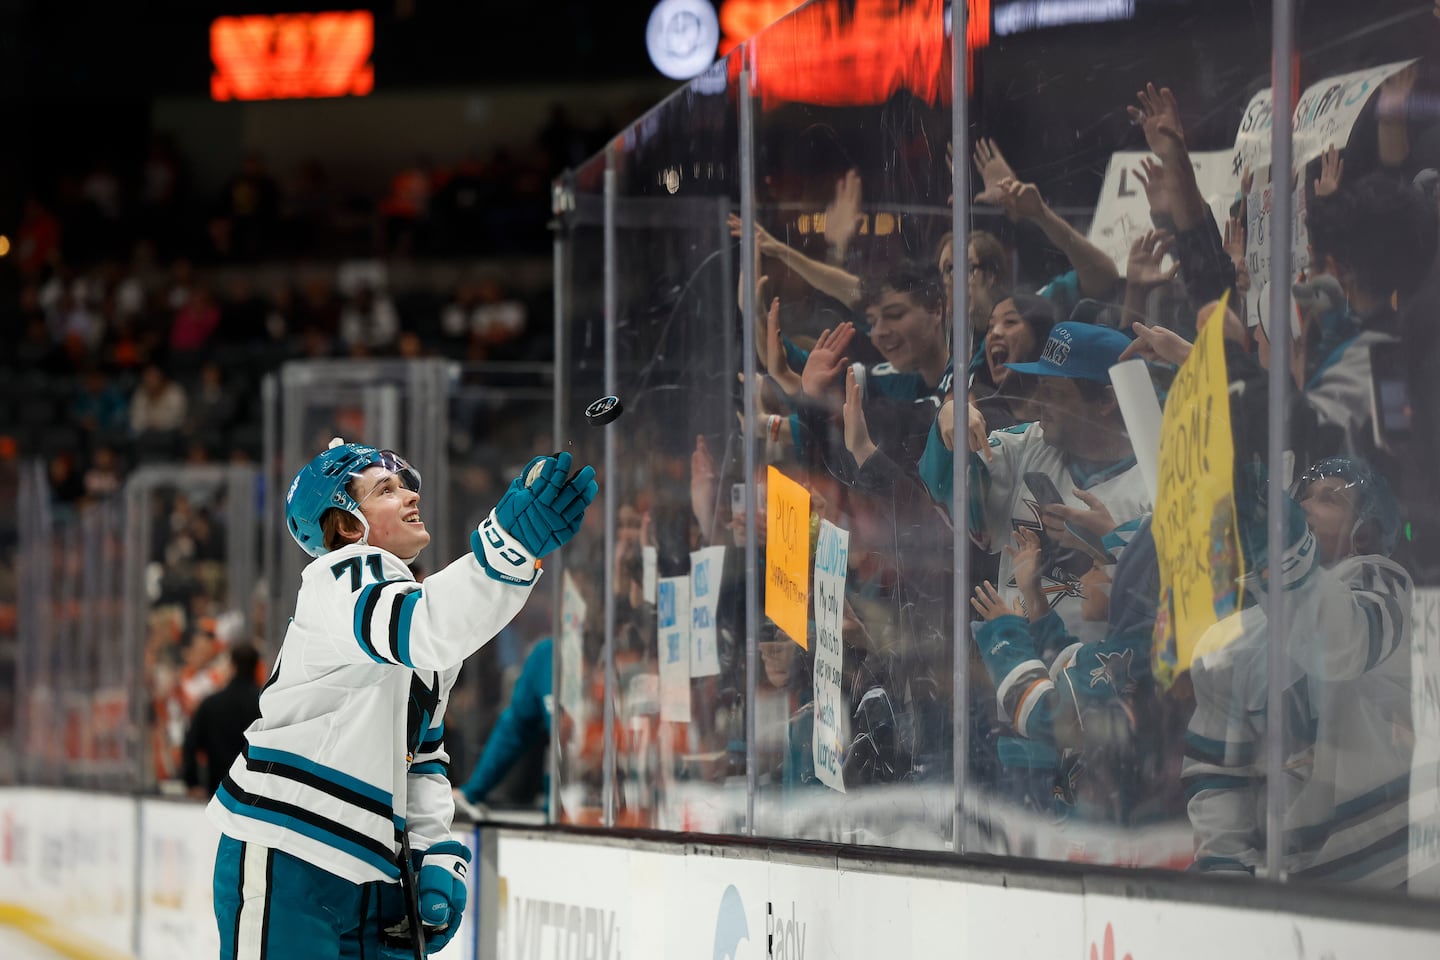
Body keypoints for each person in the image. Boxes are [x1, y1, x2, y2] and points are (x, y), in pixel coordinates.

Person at [208, 439, 596, 958]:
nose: (410, 495)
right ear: (347, 526)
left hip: (372, 871)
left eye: (405, 484)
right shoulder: (339, 576)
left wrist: (432, 850)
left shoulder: (422, 616)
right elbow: (423, 627)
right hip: (289, 849)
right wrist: (508, 544)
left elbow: (422, 756)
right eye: (385, 490)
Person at [453, 637, 553, 814]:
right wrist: (472, 791)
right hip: (564, 811)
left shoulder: (612, 657)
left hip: (614, 811)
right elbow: (515, 727)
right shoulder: (546, 656)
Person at [182, 642, 263, 799]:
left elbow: (190, 745)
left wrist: (193, 783)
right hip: (256, 794)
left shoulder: (211, 704)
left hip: (217, 791)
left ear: (232, 666)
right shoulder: (265, 706)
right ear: (257, 667)